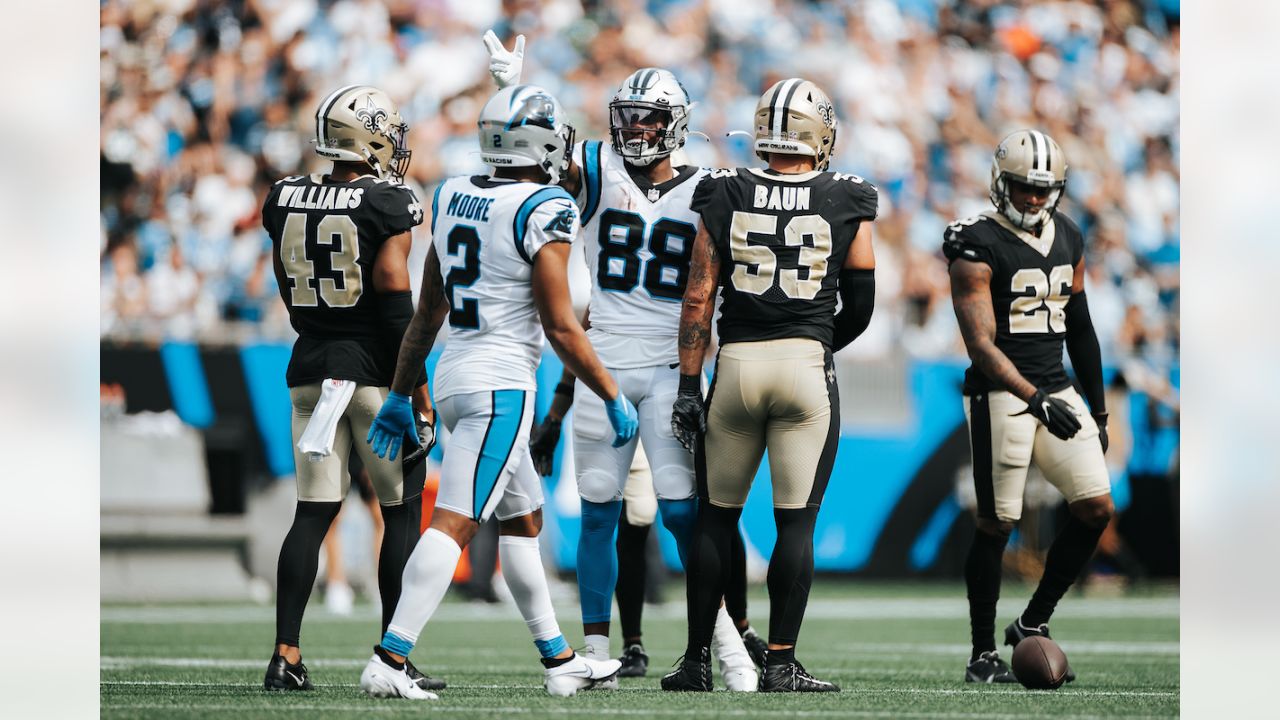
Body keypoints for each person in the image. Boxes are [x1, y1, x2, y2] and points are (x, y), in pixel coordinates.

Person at [485, 33, 760, 689]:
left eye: (649, 119)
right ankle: (597, 653)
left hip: (672, 366)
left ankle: (727, 650)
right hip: (602, 362)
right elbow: (522, 155)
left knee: (683, 514)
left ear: (677, 125)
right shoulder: (595, 167)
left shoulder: (711, 186)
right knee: (601, 506)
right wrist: (507, 90)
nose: (635, 129)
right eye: (627, 118)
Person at [357, 83, 637, 700]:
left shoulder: (453, 192)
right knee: (455, 521)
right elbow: (562, 325)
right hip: (501, 383)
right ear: (542, 143)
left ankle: (561, 662)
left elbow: (426, 311)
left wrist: (405, 391)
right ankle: (389, 657)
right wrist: (612, 393)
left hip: (458, 374)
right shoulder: (546, 206)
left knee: (522, 520)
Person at [663, 78, 877, 693]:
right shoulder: (848, 196)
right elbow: (861, 300)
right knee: (796, 525)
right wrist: (817, 341)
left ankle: (697, 662)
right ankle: (780, 662)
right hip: (806, 365)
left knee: (715, 520)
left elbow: (699, 295)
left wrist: (687, 383)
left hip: (736, 364)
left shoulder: (724, 190)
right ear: (818, 135)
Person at [260, 85, 443, 693]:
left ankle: (285, 654)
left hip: (310, 368)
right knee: (401, 514)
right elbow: (395, 298)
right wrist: (415, 385)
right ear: (367, 136)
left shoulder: (284, 195)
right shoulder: (390, 199)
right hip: (372, 376)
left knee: (311, 516)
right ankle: (393, 658)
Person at [943, 129, 1112, 684]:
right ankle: (980, 654)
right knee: (997, 524)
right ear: (1001, 183)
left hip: (1055, 389)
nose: (1034, 199)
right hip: (1002, 396)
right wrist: (1035, 399)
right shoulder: (975, 242)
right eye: (1024, 188)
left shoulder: (1068, 234)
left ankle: (1032, 623)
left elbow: (1081, 328)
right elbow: (981, 347)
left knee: (1095, 508)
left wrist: (1100, 410)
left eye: (1044, 190)